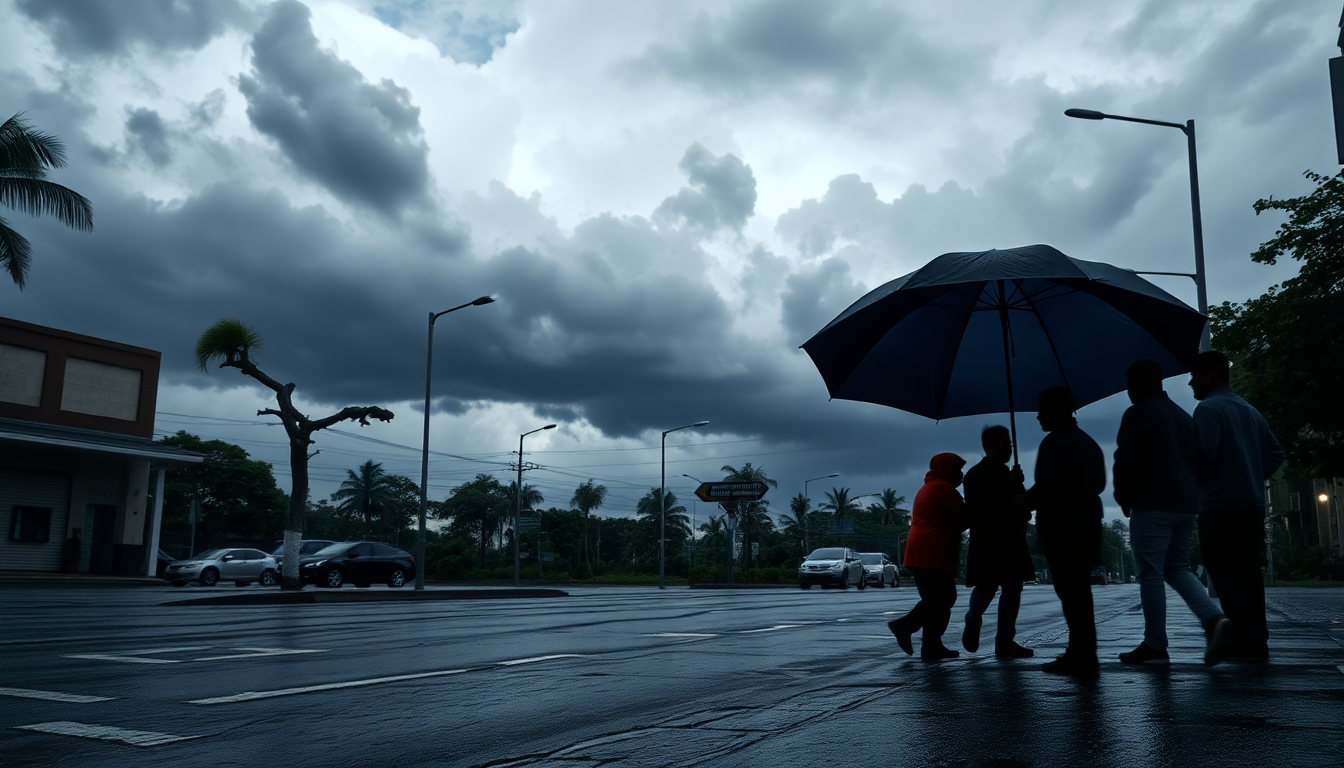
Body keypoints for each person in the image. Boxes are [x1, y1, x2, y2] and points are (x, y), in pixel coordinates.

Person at [1113, 359, 1227, 665]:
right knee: (1177, 568)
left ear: (1140, 383)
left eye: (1130, 384)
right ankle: (1214, 620)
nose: (1128, 391)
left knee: (1149, 573)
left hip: (1152, 503)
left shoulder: (1138, 413)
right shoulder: (1182, 415)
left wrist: (1123, 496)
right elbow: (1200, 461)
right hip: (1186, 504)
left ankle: (1155, 644)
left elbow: (1125, 459)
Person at [1190, 350, 1285, 664]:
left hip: (1218, 505)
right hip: (1251, 505)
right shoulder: (1249, 410)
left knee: (1224, 571)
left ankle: (1242, 638)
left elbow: (1204, 456)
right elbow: (1275, 454)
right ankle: (1258, 638)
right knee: (1249, 572)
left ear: (1207, 375)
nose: (1191, 382)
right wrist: (1250, 475)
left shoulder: (1208, 409)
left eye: (1194, 375)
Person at [1024, 387, 1105, 678]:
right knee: (1080, 591)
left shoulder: (1054, 442)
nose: (1038, 417)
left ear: (1056, 410)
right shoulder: (1088, 441)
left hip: (1063, 528)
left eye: (1042, 410)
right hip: (1088, 523)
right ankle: (1084, 650)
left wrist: (1021, 501)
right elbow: (1099, 483)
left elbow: (1049, 485)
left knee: (1070, 592)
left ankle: (1080, 654)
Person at [961, 425, 1035, 658]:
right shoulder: (975, 474)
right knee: (987, 585)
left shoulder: (1009, 473)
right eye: (1005, 445)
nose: (1009, 450)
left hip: (1012, 538)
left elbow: (1021, 504)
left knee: (1013, 588)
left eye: (1010, 445)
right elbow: (976, 506)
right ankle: (974, 616)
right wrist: (1009, 485)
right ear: (989, 446)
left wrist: (1023, 506)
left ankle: (1005, 640)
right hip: (989, 541)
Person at [888, 452, 968, 660]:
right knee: (944, 597)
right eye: (957, 469)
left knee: (934, 598)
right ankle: (905, 625)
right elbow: (964, 518)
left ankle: (932, 645)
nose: (961, 474)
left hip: (923, 550)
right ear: (946, 470)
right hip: (932, 550)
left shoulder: (930, 487)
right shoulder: (942, 489)